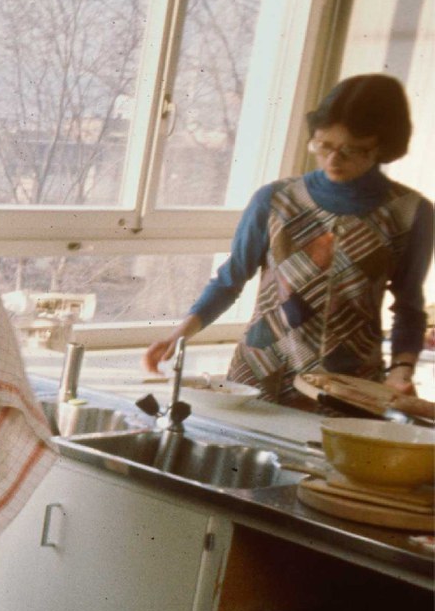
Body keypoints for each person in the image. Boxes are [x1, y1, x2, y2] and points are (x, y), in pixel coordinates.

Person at [143, 73, 431, 405]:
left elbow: (409, 308)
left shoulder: (410, 213)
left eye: (352, 150)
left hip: (350, 386)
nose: (333, 160)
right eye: (323, 145)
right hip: (260, 374)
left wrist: (401, 372)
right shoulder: (276, 200)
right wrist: (176, 339)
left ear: (383, 146)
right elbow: (229, 280)